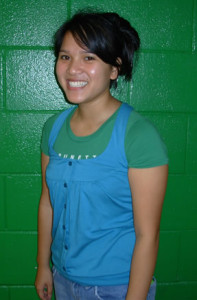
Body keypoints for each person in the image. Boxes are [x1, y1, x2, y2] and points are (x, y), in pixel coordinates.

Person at [35, 10, 168, 300]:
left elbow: (148, 236)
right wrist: (43, 265)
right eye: (65, 56)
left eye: (89, 57)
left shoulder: (138, 135)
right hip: (63, 280)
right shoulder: (53, 129)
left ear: (114, 68)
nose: (72, 69)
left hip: (117, 288)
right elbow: (48, 203)